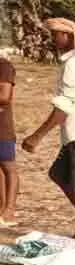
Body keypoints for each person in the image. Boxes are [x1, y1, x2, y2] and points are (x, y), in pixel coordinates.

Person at [21, 17, 75, 246]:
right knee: (59, 175)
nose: (54, 39)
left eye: (56, 35)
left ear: (69, 36)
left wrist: (37, 136)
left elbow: (64, 106)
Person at [0, 52, 18, 227]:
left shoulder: (4, 67)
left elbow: (5, 97)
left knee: (8, 168)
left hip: (2, 128)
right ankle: (2, 209)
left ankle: (10, 210)